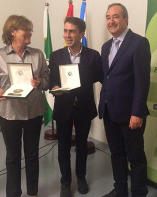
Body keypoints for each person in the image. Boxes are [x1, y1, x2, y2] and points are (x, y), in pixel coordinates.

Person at [0, 15, 50, 197]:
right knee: (12, 157)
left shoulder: (37, 54)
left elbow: (47, 80)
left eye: (31, 30)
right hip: (9, 114)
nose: (30, 33)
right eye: (26, 30)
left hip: (34, 112)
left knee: (32, 154)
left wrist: (40, 82)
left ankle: (33, 192)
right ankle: (13, 193)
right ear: (13, 32)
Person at [98, 3, 151, 197]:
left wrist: (137, 112)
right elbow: (107, 77)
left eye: (116, 17)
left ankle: (139, 193)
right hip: (109, 111)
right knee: (116, 155)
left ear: (126, 19)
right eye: (108, 17)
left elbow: (142, 81)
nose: (111, 21)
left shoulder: (139, 43)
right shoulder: (105, 47)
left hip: (131, 115)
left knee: (135, 158)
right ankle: (120, 190)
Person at [49, 17, 102, 197]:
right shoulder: (56, 55)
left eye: (72, 31)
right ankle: (65, 182)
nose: (67, 35)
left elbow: (101, 77)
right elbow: (52, 82)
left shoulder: (93, 56)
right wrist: (54, 89)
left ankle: (81, 176)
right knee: (63, 147)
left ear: (81, 34)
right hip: (63, 108)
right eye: (65, 31)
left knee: (81, 145)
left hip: (84, 108)